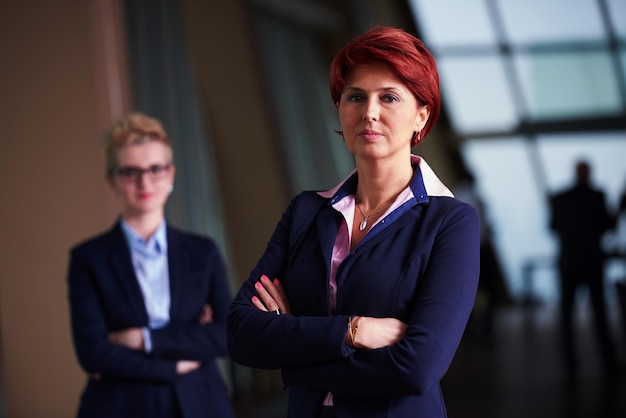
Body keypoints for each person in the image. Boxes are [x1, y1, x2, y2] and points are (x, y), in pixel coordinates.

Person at [227, 26, 480, 418]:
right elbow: (241, 334)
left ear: (421, 116)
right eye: (355, 97)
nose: (370, 113)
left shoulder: (450, 222)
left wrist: (294, 354)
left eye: (389, 97)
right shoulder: (306, 212)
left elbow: (416, 369)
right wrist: (352, 331)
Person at [67, 112, 234, 418]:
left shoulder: (203, 252)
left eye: (155, 169)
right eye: (130, 172)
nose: (144, 181)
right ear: (113, 180)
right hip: (120, 406)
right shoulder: (87, 258)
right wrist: (175, 363)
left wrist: (142, 339)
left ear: (170, 175)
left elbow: (227, 335)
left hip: (201, 403)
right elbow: (92, 353)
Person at [549, 160, 618, 376]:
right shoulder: (597, 197)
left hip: (569, 262)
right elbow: (607, 226)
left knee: (567, 316)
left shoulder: (561, 198)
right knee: (599, 313)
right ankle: (608, 361)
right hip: (592, 263)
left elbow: (553, 227)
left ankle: (569, 363)